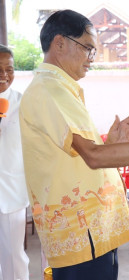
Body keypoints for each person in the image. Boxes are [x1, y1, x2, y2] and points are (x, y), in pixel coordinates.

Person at [19, 10, 129, 280]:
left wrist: (113, 143)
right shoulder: (49, 89)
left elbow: (82, 153)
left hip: (92, 233)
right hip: (80, 234)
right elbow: (93, 156)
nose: (91, 59)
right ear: (60, 43)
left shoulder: (60, 88)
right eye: (88, 49)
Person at [0, 44, 30, 280]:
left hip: (11, 194)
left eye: (9, 69)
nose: (3, 75)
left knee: (14, 257)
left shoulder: (24, 104)